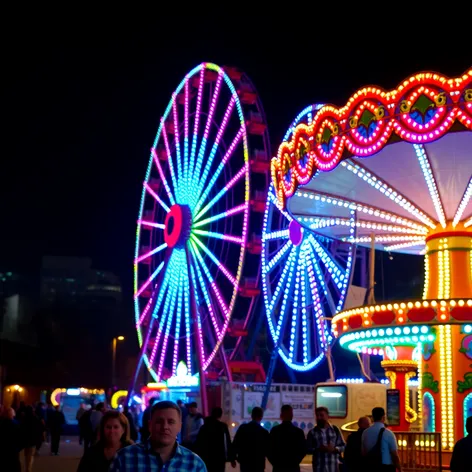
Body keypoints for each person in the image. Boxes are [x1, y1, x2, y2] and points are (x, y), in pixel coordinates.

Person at [109, 400, 207, 471]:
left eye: (171, 422)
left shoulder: (194, 464)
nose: (165, 427)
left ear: (179, 426)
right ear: (150, 425)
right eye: (159, 421)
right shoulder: (124, 458)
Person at [268, 404, 306, 472]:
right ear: (292, 416)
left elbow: (269, 450)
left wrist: (275, 463)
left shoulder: (275, 431)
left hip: (278, 467)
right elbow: (303, 451)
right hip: (293, 467)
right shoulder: (298, 432)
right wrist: (295, 462)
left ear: (281, 415)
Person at [362, 407, 401, 472]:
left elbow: (363, 452)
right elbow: (394, 455)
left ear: (372, 418)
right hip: (386, 467)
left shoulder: (365, 432)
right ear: (384, 417)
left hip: (370, 466)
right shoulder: (388, 433)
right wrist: (400, 469)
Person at [195, 407, 234, 472]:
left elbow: (198, 443)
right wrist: (231, 458)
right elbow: (227, 443)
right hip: (219, 459)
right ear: (221, 415)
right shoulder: (222, 427)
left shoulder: (204, 427)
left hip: (206, 458)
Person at [307, 406, 346, 472]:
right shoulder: (312, 432)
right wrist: (318, 449)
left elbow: (344, 446)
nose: (319, 417)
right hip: (319, 468)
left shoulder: (335, 430)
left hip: (333, 467)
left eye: (321, 415)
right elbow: (307, 449)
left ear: (327, 416)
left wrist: (335, 449)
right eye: (317, 415)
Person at [232, 406, 269, 472]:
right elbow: (268, 450)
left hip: (245, 463)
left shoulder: (243, 428)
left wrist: (233, 458)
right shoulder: (264, 432)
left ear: (251, 416)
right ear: (261, 417)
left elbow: (235, 444)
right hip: (259, 464)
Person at [19, 405, 43, 472]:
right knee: (30, 456)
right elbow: (38, 429)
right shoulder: (35, 418)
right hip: (32, 440)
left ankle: (24, 467)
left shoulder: (23, 419)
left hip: (24, 440)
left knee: (25, 454)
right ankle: (28, 469)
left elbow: (20, 428)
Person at [0, 407, 22, 472]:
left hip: (3, 449)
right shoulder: (16, 425)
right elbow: (20, 438)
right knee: (14, 465)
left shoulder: (1, 424)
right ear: (13, 414)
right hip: (14, 449)